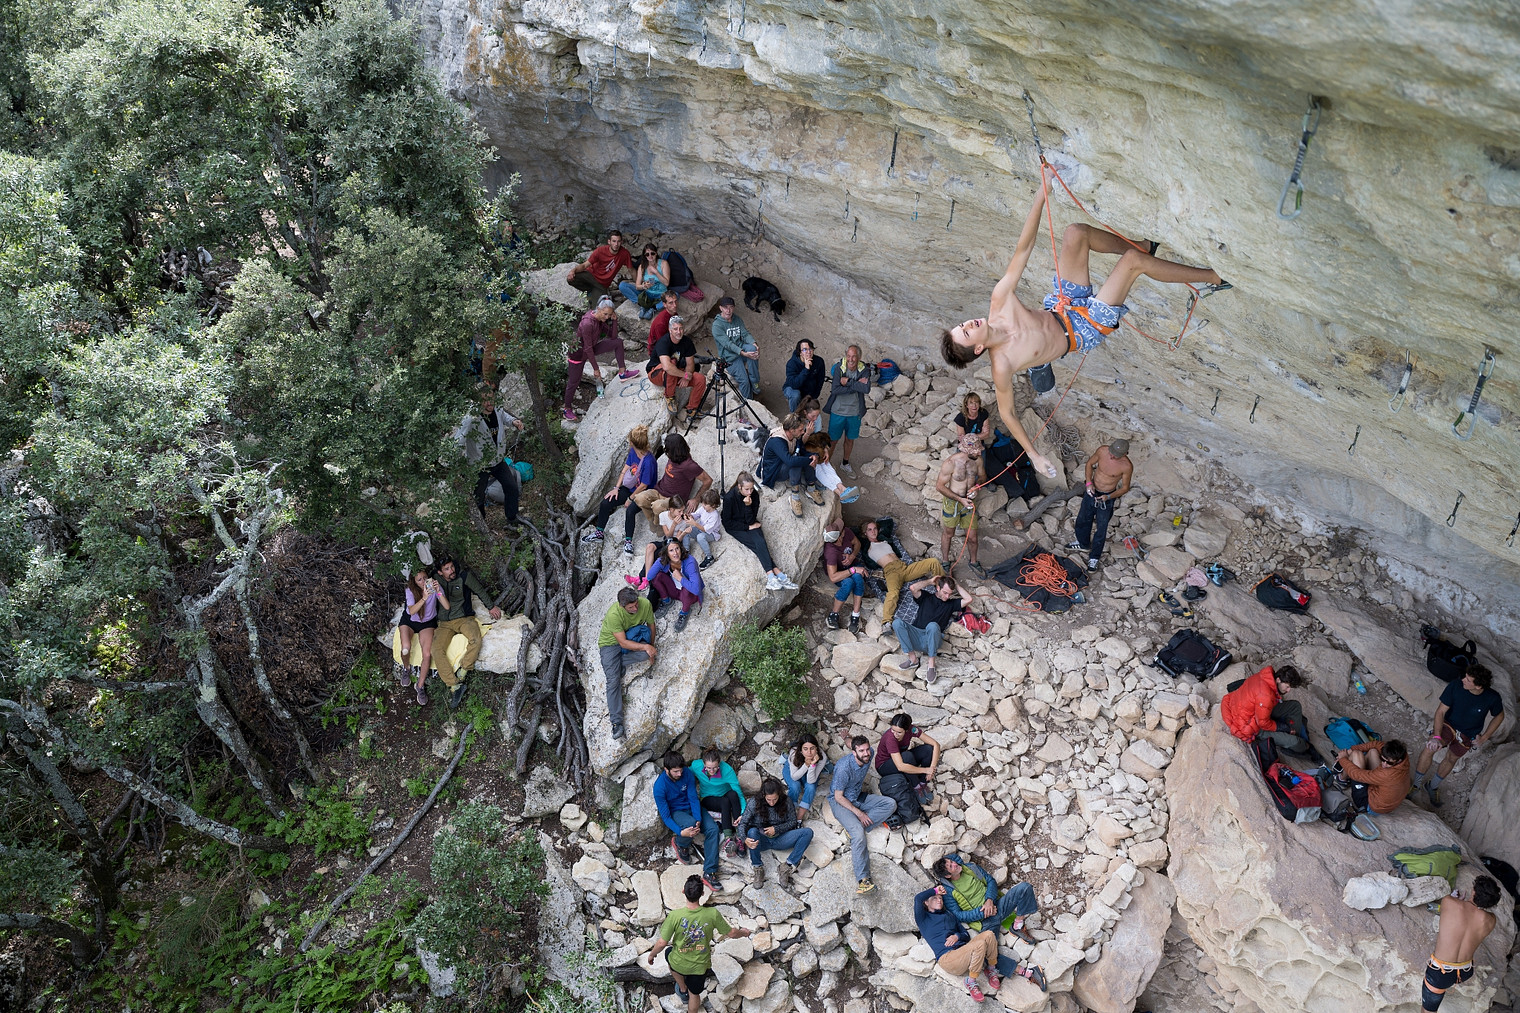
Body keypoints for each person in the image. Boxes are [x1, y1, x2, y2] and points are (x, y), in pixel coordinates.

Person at [940, 183, 1228, 479]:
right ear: (978, 349)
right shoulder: (1002, 364)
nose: (968, 324)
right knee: (1132, 263)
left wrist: (1041, 194)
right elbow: (1008, 414)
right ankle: (1214, 277)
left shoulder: (1000, 302)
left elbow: (1023, 249)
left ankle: (1142, 245)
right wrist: (1035, 456)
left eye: (962, 325)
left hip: (1063, 306)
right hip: (1083, 329)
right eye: (966, 333)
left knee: (1075, 233)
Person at [646, 874, 752, 1013]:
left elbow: (662, 942)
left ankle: (682, 988)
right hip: (699, 966)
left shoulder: (674, 916)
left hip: (678, 962)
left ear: (683, 892)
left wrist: (652, 955)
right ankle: (688, 994)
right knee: (694, 995)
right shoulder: (712, 914)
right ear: (702, 894)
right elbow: (731, 933)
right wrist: (744, 932)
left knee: (668, 953)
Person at [1411, 664, 1505, 807]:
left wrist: (1485, 737)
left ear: (1478, 686)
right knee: (1430, 748)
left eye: (1468, 680)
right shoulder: (1456, 686)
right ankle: (1416, 785)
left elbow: (1499, 716)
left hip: (1468, 733)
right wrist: (1436, 737)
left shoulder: (1492, 697)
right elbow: (1440, 712)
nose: (1463, 680)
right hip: (1449, 725)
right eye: (1465, 677)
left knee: (1451, 759)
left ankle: (1432, 786)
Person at [914, 886, 1025, 1003]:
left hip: (964, 952)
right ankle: (971, 981)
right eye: (934, 898)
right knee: (980, 944)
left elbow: (965, 934)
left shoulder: (949, 915)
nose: (939, 900)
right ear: (926, 903)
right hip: (948, 958)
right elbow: (918, 898)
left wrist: (957, 936)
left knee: (989, 934)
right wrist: (936, 890)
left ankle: (991, 969)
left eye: (940, 898)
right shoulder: (923, 919)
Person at [431, 556, 503, 711]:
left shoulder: (464, 576)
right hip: (444, 623)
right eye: (447, 569)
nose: (452, 571)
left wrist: (491, 607)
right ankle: (454, 686)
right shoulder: (435, 579)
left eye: (452, 567)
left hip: (464, 618)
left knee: (475, 639)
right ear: (440, 572)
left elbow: (479, 590)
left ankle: (463, 671)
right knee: (436, 650)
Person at [1421, 876, 1501, 1012]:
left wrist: (1457, 901)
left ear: (1474, 892)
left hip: (1440, 973)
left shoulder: (1449, 901)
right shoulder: (1491, 920)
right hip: (1464, 972)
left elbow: (1452, 912)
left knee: (1428, 1011)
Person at [830, 734, 897, 894]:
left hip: (857, 796)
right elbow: (838, 796)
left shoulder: (869, 753)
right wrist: (859, 813)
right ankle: (863, 880)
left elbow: (851, 743)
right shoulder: (843, 768)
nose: (866, 753)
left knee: (890, 804)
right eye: (861, 751)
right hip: (840, 801)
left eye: (867, 749)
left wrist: (847, 738)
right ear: (854, 753)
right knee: (859, 836)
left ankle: (854, 828)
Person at [932, 854, 1040, 949]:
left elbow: (990, 881)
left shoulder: (971, 868)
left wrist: (989, 900)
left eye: (952, 861)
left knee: (1025, 887)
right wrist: (983, 912)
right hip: (985, 922)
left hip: (998, 905)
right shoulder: (948, 891)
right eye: (951, 866)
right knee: (989, 954)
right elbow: (958, 915)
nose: (955, 864)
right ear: (948, 876)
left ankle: (1017, 926)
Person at [956, 391, 1040, 510]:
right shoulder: (961, 418)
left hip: (978, 445)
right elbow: (961, 437)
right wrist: (972, 441)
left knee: (982, 465)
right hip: (965, 446)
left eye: (976, 402)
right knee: (964, 466)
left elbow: (986, 434)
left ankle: (979, 486)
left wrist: (973, 438)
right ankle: (963, 491)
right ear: (966, 405)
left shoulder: (983, 414)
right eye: (971, 403)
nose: (974, 405)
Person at [653, 750, 723, 890]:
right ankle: (680, 843)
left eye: (681, 770)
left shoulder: (687, 773)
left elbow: (693, 798)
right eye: (676, 771)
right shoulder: (659, 787)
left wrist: (698, 818)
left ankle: (709, 872)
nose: (680, 774)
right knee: (690, 826)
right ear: (666, 769)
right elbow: (666, 816)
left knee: (713, 829)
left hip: (692, 808)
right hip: (676, 812)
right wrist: (680, 832)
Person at [563, 296, 640, 422]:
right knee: (573, 382)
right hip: (578, 354)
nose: (607, 317)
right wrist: (596, 368)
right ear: (598, 309)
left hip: (591, 348)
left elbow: (613, 336)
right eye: (605, 314)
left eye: (609, 315)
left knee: (618, 342)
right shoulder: (588, 323)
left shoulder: (599, 320)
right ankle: (567, 409)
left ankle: (622, 373)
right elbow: (587, 348)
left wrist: (614, 321)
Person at [584, 425, 658, 555]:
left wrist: (630, 499)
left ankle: (628, 542)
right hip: (629, 488)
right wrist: (616, 488)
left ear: (633, 442)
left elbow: (644, 485)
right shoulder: (633, 452)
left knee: (630, 511)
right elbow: (625, 469)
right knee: (606, 502)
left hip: (643, 494)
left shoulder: (649, 461)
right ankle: (599, 533)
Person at [459, 390, 525, 527]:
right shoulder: (471, 418)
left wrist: (514, 422)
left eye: (491, 399)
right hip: (479, 464)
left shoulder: (497, 408)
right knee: (478, 495)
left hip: (497, 460)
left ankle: (512, 518)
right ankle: (481, 524)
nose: (489, 403)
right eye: (485, 400)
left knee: (511, 487)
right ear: (479, 402)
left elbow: (505, 417)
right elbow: (458, 439)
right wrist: (452, 461)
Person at [721, 472, 798, 590]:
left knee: (760, 543)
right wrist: (748, 528)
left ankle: (775, 577)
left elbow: (751, 519)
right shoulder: (729, 498)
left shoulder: (754, 495)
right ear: (739, 486)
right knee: (757, 545)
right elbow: (727, 522)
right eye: (746, 489)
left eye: (751, 488)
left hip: (750, 522)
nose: (749, 492)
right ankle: (776, 576)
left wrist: (748, 506)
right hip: (734, 526)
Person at [598, 587, 655, 741]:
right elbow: (622, 643)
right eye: (631, 607)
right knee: (613, 681)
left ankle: (617, 665)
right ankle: (616, 723)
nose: (635, 609)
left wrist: (651, 647)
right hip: (610, 644)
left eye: (636, 604)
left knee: (645, 653)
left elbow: (651, 625)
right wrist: (645, 646)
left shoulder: (645, 604)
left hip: (630, 636)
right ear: (622, 606)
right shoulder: (614, 615)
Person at [1068, 439, 1133, 572]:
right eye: (1111, 452)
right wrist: (1088, 483)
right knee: (1083, 519)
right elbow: (1089, 464)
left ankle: (1094, 557)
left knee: (1101, 529)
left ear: (1125, 453)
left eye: (1116, 455)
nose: (1112, 456)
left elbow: (1125, 488)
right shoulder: (1103, 451)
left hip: (1107, 497)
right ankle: (1083, 543)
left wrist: (1108, 497)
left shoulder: (1126, 466)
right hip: (1092, 491)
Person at [862, 519, 943, 622]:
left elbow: (889, 522)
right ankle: (886, 621)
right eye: (869, 530)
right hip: (891, 571)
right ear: (865, 533)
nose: (873, 531)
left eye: (875, 529)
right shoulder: (868, 549)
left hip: (904, 567)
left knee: (933, 562)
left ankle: (943, 586)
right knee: (893, 593)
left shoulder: (885, 541)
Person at [740, 777, 814, 888]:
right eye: (768, 799)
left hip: (781, 838)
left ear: (779, 794)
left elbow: (793, 821)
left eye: (774, 799)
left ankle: (787, 866)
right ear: (763, 795)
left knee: (807, 833)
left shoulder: (786, 801)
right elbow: (743, 823)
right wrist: (744, 839)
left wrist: (776, 829)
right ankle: (758, 868)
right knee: (752, 832)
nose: (771, 802)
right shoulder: (754, 802)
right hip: (761, 840)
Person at [631, 432, 713, 532]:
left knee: (657, 506)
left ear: (673, 450)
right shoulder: (673, 457)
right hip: (659, 490)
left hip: (672, 499)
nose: (665, 450)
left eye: (667, 448)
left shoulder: (689, 465)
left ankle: (658, 524)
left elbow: (708, 480)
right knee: (639, 498)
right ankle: (652, 520)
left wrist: (696, 499)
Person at [1220, 664, 1310, 753]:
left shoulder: (1265, 676)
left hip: (1254, 710)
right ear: (1278, 679)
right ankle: (1298, 741)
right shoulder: (1266, 696)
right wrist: (1285, 728)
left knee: (1295, 706)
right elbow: (1263, 723)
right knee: (1297, 743)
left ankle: (1295, 733)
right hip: (1251, 726)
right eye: (1287, 686)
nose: (1288, 690)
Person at [893, 575, 967, 682]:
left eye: (950, 594)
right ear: (938, 588)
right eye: (945, 592)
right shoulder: (926, 597)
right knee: (897, 623)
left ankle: (931, 665)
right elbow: (913, 588)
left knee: (932, 626)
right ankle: (913, 659)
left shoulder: (951, 604)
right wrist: (930, 581)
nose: (947, 596)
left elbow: (969, 599)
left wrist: (956, 584)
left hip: (932, 641)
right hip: (915, 637)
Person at [936, 434, 989, 577]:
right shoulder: (951, 463)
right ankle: (945, 562)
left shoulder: (977, 460)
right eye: (976, 451)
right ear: (967, 450)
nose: (979, 453)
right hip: (953, 502)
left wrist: (977, 486)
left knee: (972, 537)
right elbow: (940, 486)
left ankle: (973, 562)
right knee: (948, 534)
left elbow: (983, 477)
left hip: (969, 502)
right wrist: (960, 499)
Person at [398, 567, 446, 706]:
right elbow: (412, 611)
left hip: (427, 622)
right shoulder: (410, 591)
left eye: (425, 578)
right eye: (419, 580)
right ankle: (406, 668)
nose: (424, 581)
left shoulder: (434, 587)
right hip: (410, 621)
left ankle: (420, 685)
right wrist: (424, 597)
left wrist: (438, 591)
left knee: (427, 654)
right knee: (406, 648)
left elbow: (444, 603)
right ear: (414, 582)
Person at [762, 412, 825, 517]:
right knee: (796, 462)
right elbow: (790, 461)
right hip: (773, 471)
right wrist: (808, 460)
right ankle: (794, 497)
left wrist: (814, 456)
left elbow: (801, 450)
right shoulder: (777, 441)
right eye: (800, 430)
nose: (803, 432)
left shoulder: (795, 436)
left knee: (805, 458)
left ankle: (811, 488)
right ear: (792, 430)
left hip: (782, 464)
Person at [646, 315, 708, 420]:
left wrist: (686, 376)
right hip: (656, 374)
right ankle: (670, 397)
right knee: (672, 364)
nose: (678, 332)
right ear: (670, 330)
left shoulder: (687, 342)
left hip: (676, 373)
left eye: (681, 328)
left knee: (700, 379)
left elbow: (690, 363)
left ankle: (692, 409)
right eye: (675, 329)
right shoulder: (663, 342)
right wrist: (685, 375)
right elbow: (667, 367)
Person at [823, 345, 872, 475]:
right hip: (838, 411)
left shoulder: (864, 369)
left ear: (859, 357)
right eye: (848, 356)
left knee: (850, 439)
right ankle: (826, 466)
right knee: (832, 440)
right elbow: (835, 389)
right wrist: (856, 385)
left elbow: (866, 389)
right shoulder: (839, 368)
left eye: (854, 356)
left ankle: (845, 463)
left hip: (854, 412)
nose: (851, 359)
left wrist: (848, 381)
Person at [691, 748, 747, 860]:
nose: (712, 771)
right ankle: (728, 838)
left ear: (719, 764)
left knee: (733, 794)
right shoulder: (696, 766)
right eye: (708, 768)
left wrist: (743, 813)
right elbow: (686, 774)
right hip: (708, 797)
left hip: (725, 794)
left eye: (715, 767)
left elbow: (739, 793)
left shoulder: (727, 771)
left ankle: (740, 834)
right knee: (724, 801)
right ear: (703, 764)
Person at [875, 713, 941, 807]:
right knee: (907, 756)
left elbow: (935, 744)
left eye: (899, 732)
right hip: (884, 766)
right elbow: (900, 766)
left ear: (906, 730)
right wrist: (926, 770)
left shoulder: (912, 729)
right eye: (893, 730)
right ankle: (916, 786)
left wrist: (932, 769)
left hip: (901, 757)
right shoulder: (890, 738)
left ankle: (923, 782)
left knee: (928, 749)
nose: (895, 734)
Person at [1335, 738, 1411, 814]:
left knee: (1356, 754)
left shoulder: (1387, 775)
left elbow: (1357, 775)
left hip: (1371, 805)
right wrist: (1351, 750)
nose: (1384, 764)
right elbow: (1376, 744)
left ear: (1398, 761)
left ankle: (1342, 779)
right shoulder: (1403, 757)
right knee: (1373, 751)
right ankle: (1353, 767)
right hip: (1384, 796)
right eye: (1382, 759)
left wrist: (1343, 759)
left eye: (1389, 763)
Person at [647, 539, 703, 633]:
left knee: (686, 589)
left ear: (681, 548)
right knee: (657, 577)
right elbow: (649, 576)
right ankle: (666, 601)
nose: (675, 553)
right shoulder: (665, 560)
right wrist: (661, 560)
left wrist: (680, 578)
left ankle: (684, 612)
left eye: (677, 548)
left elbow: (696, 589)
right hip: (674, 590)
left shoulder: (690, 561)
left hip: (689, 595)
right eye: (671, 550)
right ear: (666, 553)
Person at [565, 229, 633, 305]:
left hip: (602, 285)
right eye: (614, 241)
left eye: (618, 241)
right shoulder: (600, 250)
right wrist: (573, 271)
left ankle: (594, 293)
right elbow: (584, 265)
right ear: (609, 242)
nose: (616, 244)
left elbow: (632, 270)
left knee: (597, 307)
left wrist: (638, 285)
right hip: (591, 275)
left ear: (621, 242)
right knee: (571, 279)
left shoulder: (624, 254)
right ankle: (590, 290)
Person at [823, 518, 866, 633]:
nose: (844, 529)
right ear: (839, 537)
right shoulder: (831, 552)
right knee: (848, 582)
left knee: (857, 578)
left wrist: (852, 556)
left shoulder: (846, 532)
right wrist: (853, 570)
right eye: (842, 530)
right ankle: (834, 614)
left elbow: (857, 543)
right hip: (839, 572)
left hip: (852, 565)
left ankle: (855, 615)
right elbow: (833, 577)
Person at [712, 297, 760, 398]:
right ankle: (748, 402)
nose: (728, 310)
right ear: (721, 308)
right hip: (729, 356)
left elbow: (745, 333)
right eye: (725, 307)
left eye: (731, 307)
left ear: (733, 308)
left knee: (753, 350)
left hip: (740, 348)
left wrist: (754, 343)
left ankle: (754, 381)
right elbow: (727, 344)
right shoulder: (717, 325)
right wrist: (743, 353)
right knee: (744, 381)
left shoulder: (736, 319)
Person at [802, 433, 860, 514]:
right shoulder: (807, 438)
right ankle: (840, 492)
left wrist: (825, 450)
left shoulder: (816, 439)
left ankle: (842, 488)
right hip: (811, 458)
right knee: (821, 471)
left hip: (818, 454)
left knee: (827, 467)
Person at [779, 732, 831, 820]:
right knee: (795, 786)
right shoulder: (794, 753)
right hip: (792, 771)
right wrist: (806, 765)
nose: (809, 752)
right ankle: (789, 812)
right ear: (801, 750)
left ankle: (799, 818)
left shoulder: (822, 757)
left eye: (812, 748)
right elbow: (794, 777)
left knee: (811, 787)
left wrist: (812, 765)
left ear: (816, 748)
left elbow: (811, 781)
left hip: (810, 772)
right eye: (805, 749)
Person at [618, 243, 669, 319]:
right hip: (647, 293)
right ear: (644, 256)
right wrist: (644, 286)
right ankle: (642, 305)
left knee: (675, 295)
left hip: (660, 294)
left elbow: (666, 283)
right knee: (622, 285)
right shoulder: (642, 266)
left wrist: (656, 272)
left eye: (652, 253)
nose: (650, 256)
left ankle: (654, 308)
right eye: (647, 254)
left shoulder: (663, 264)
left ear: (656, 253)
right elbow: (637, 286)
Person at [783, 339, 826, 412]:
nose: (808, 352)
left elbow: (820, 381)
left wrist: (813, 397)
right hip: (792, 388)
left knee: (812, 410)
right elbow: (794, 384)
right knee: (795, 395)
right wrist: (806, 369)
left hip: (809, 391)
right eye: (805, 349)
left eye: (810, 349)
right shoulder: (792, 363)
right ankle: (794, 415)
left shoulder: (819, 361)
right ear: (800, 352)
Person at [686, 488, 723, 570]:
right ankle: (686, 551)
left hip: (711, 533)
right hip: (700, 528)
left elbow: (705, 529)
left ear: (713, 505)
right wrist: (691, 516)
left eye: (705, 504)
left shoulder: (715, 515)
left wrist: (694, 523)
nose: (703, 505)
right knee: (687, 531)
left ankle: (709, 557)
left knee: (700, 537)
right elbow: (697, 515)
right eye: (702, 503)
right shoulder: (703, 509)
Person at [647, 290, 680, 357]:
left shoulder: (674, 314)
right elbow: (662, 344)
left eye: (675, 301)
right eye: (671, 303)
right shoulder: (661, 323)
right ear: (664, 304)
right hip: (658, 350)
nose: (675, 305)